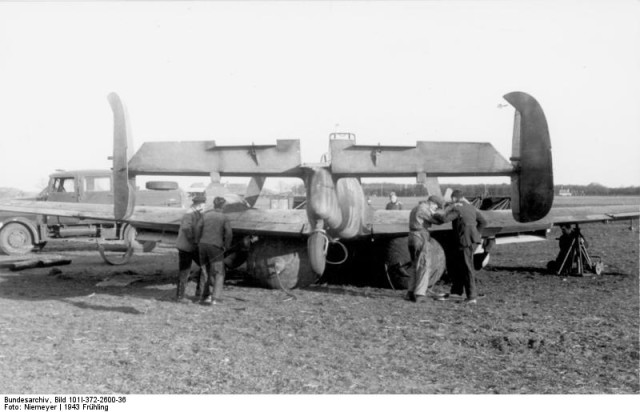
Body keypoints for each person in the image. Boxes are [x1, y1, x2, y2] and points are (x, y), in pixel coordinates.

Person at [435, 190, 487, 304]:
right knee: (460, 266)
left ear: (454, 198)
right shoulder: (472, 207)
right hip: (471, 241)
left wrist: (434, 213)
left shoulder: (457, 208)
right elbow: (483, 222)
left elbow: (444, 219)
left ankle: (472, 296)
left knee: (466, 268)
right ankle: (456, 292)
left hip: (464, 242)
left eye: (452, 199)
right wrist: (476, 235)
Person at [406, 195, 444, 303]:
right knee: (424, 265)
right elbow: (438, 221)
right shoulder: (423, 209)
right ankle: (420, 294)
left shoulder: (416, 208)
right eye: (436, 206)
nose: (436, 208)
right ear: (431, 203)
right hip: (420, 236)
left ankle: (410, 292)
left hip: (412, 237)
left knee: (414, 265)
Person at [198, 196, 233, 305]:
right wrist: (226, 246)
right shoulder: (224, 217)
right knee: (219, 272)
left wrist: (197, 240)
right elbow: (228, 234)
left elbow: (197, 228)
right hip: (215, 247)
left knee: (205, 271)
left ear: (214, 204)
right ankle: (215, 298)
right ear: (223, 205)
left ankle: (203, 296)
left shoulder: (206, 215)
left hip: (202, 246)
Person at [175, 193, 206, 302]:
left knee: (204, 267)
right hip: (186, 247)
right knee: (185, 271)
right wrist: (195, 241)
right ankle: (181, 297)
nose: (204, 206)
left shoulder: (196, 213)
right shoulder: (189, 214)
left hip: (190, 246)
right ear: (199, 204)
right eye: (203, 204)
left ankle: (199, 294)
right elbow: (186, 229)